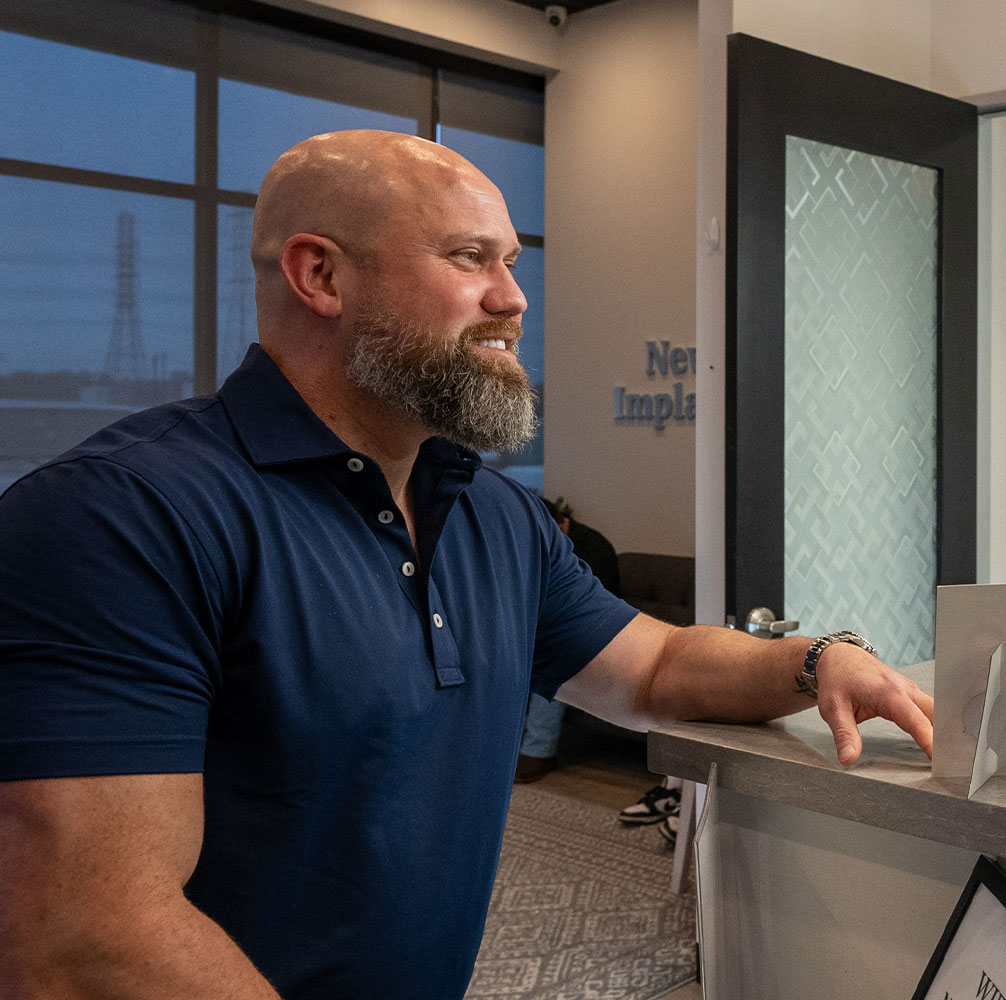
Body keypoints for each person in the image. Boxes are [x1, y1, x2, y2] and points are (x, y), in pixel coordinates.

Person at [0, 130, 934, 1000]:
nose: (513, 298)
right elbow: (86, 934)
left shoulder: (492, 514)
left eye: (512, 263)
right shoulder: (118, 518)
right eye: (467, 258)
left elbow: (650, 668)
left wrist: (816, 663)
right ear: (319, 274)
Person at [515, 496, 623, 783]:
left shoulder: (595, 550)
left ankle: (538, 752)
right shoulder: (544, 546)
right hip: (549, 627)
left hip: (597, 634)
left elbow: (593, 611)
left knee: (553, 663)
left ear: (562, 523)